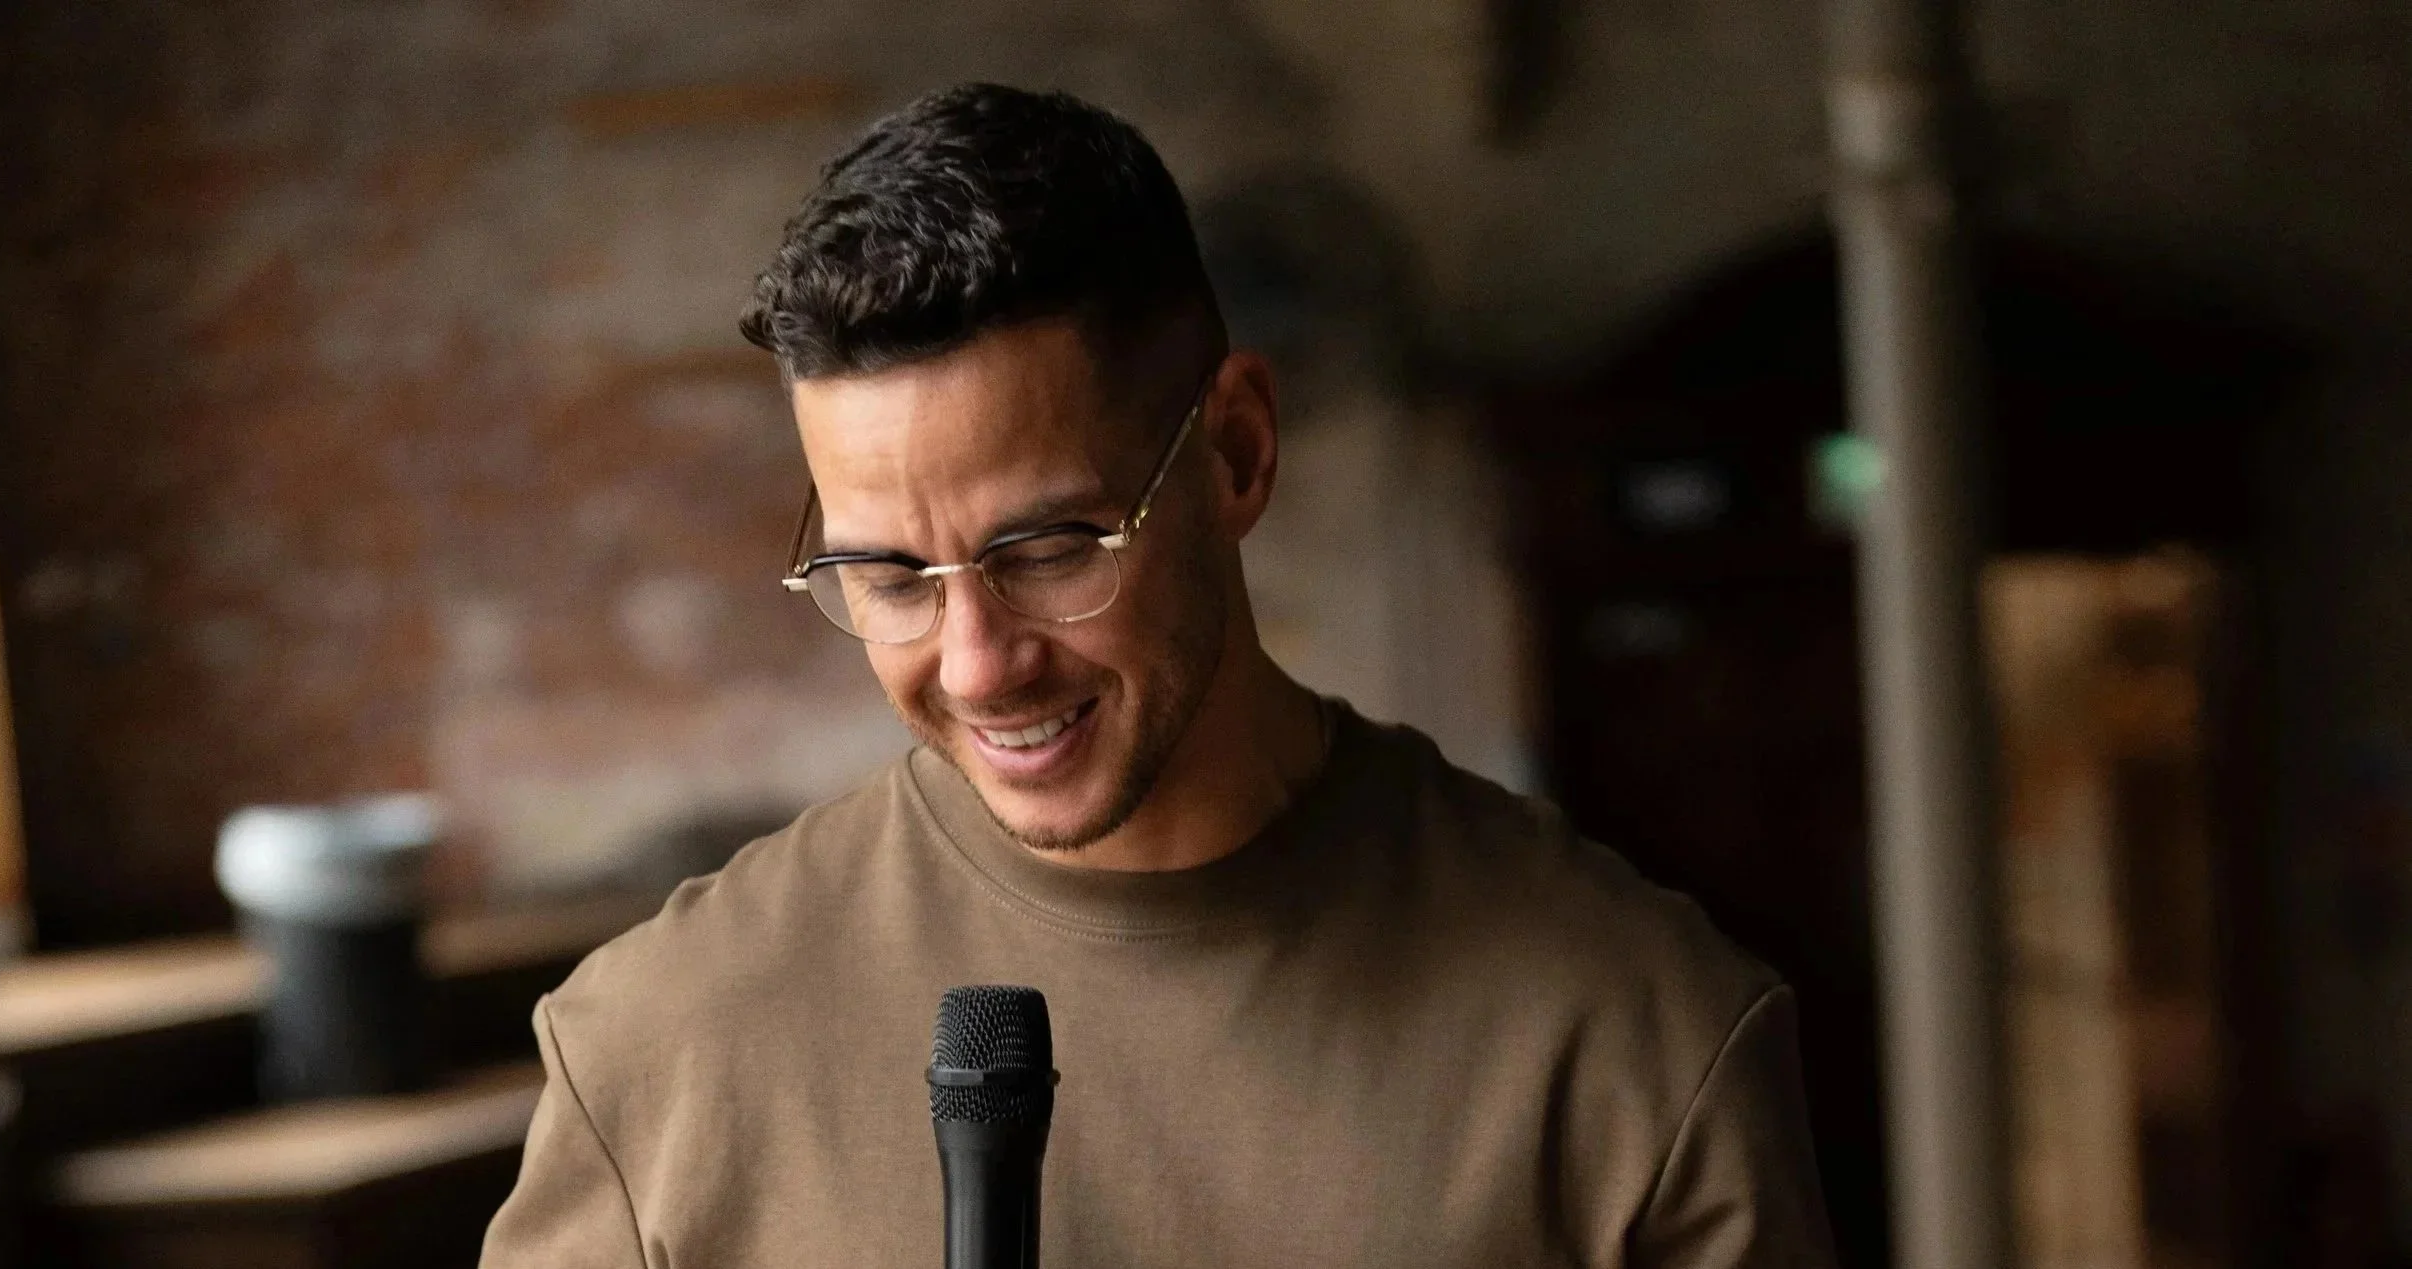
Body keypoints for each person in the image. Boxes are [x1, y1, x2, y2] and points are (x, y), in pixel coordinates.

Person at [480, 82, 1837, 1268]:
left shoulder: (1633, 1044)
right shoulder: (652, 1055)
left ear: (1238, 452)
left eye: (1051, 547)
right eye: (891, 577)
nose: (978, 663)